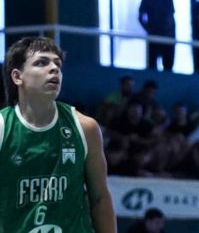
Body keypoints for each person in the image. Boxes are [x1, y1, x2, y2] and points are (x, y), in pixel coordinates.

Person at [0, 36, 116, 232]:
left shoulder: (85, 128)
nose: (54, 68)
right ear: (17, 77)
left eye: (58, 64)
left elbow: (100, 199)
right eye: (41, 63)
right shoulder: (3, 128)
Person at [139, 0, 176, 72]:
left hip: (168, 36)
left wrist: (171, 34)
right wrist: (148, 29)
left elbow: (171, 18)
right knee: (152, 64)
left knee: (168, 65)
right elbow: (141, 17)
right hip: (153, 36)